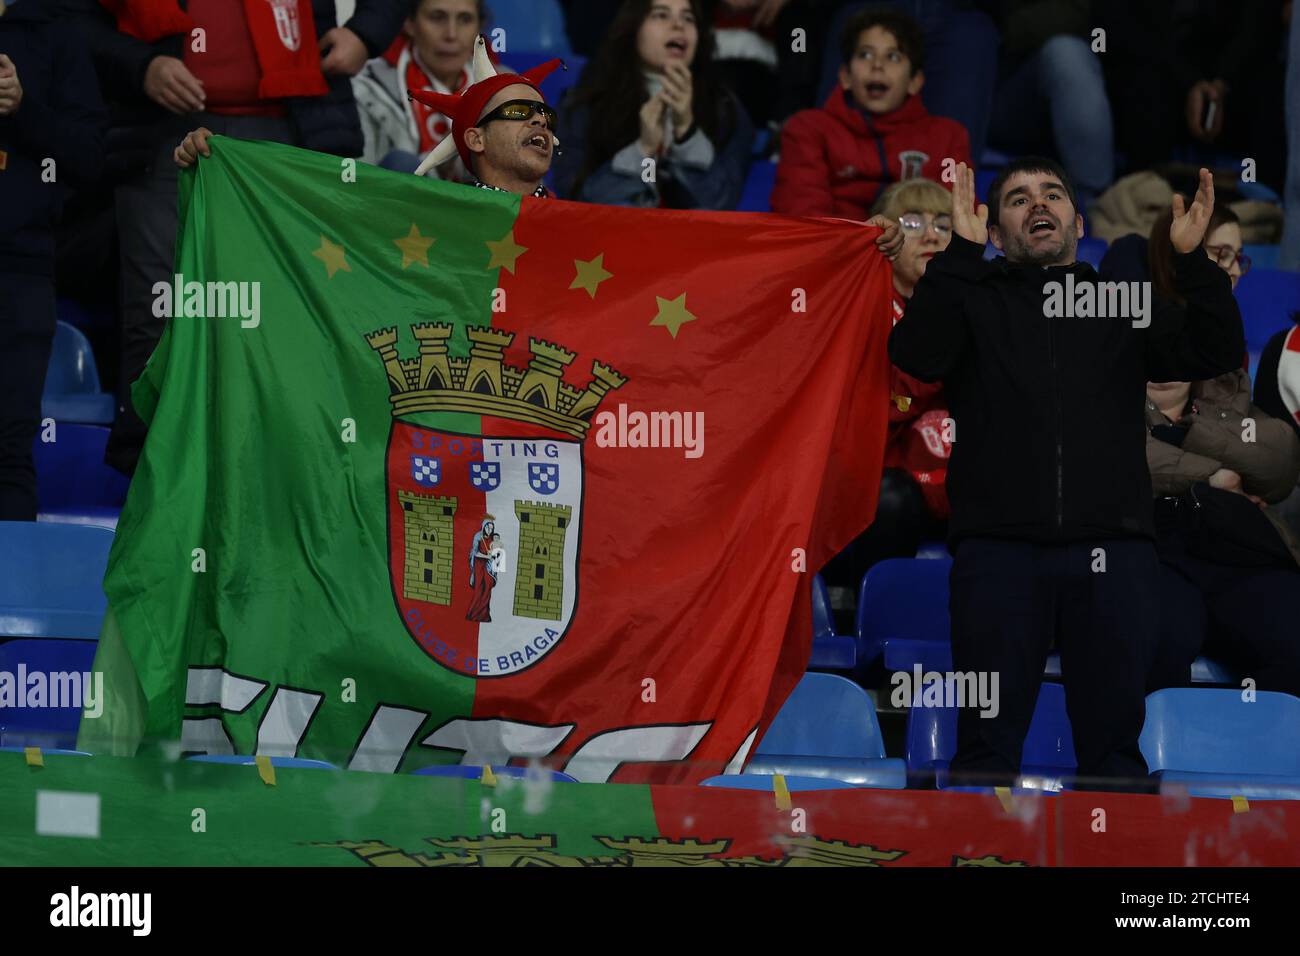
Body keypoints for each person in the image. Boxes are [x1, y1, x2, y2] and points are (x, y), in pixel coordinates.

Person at [889, 157, 1245, 790]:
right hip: (998, 554)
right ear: (995, 232)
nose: (1039, 205)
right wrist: (961, 261)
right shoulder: (972, 297)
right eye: (1019, 199)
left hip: (1115, 555)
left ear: (1079, 222)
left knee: (1114, 764)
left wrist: (1193, 263)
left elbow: (1213, 351)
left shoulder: (1119, 298)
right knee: (983, 756)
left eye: (1052, 193)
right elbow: (915, 354)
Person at [63, 0, 409, 477]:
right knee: (161, 317)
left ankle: (277, 490)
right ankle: (156, 494)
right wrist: (141, 64)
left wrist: (367, 33)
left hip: (293, 134)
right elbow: (66, 17)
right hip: (158, 136)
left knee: (283, 325)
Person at [180, 37, 563, 200]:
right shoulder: (434, 217)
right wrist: (223, 161)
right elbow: (312, 202)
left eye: (545, 115)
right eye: (518, 112)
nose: (539, 122)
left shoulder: (579, 226)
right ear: (476, 139)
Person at [0, 0, 106, 521]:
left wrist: (23, 107)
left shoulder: (57, 31)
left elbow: (90, 156)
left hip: (20, 267)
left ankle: (8, 600)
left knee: (7, 454)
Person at [823, 177, 952, 590]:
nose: (931, 234)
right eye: (911, 223)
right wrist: (853, 251)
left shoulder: (976, 307)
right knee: (890, 496)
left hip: (955, 475)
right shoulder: (855, 306)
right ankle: (873, 627)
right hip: (875, 480)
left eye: (945, 224)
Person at [771, 4, 969, 221]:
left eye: (893, 57)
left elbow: (958, 220)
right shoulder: (808, 130)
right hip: (837, 251)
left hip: (921, 251)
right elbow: (802, 216)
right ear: (845, 76)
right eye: (865, 54)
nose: (877, 65)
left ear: (915, 82)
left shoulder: (948, 137)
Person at [554, 0, 754, 210]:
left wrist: (686, 134)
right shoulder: (584, 106)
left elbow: (718, 209)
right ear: (634, 28)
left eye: (688, 17)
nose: (678, 25)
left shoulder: (725, 109)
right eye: (661, 15)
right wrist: (643, 150)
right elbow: (581, 208)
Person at [985, 1, 1114, 212]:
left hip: (1088, 87)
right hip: (993, 92)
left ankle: (1098, 208)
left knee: (1069, 56)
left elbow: (1094, 25)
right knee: (1066, 55)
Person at [352, 0, 495, 179]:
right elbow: (357, 184)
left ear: (478, 27)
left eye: (465, 19)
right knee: (401, 164)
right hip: (399, 205)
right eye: (437, 18)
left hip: (478, 204)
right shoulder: (367, 89)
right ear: (410, 24)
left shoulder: (505, 88)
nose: (451, 34)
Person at [466, 517, 498, 622]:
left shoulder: (493, 538)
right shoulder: (478, 536)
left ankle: (484, 615)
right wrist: (486, 557)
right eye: (488, 527)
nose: (489, 530)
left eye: (491, 528)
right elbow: (474, 552)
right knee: (479, 589)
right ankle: (473, 614)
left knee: (487, 589)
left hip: (488, 566)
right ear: (484, 527)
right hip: (479, 565)